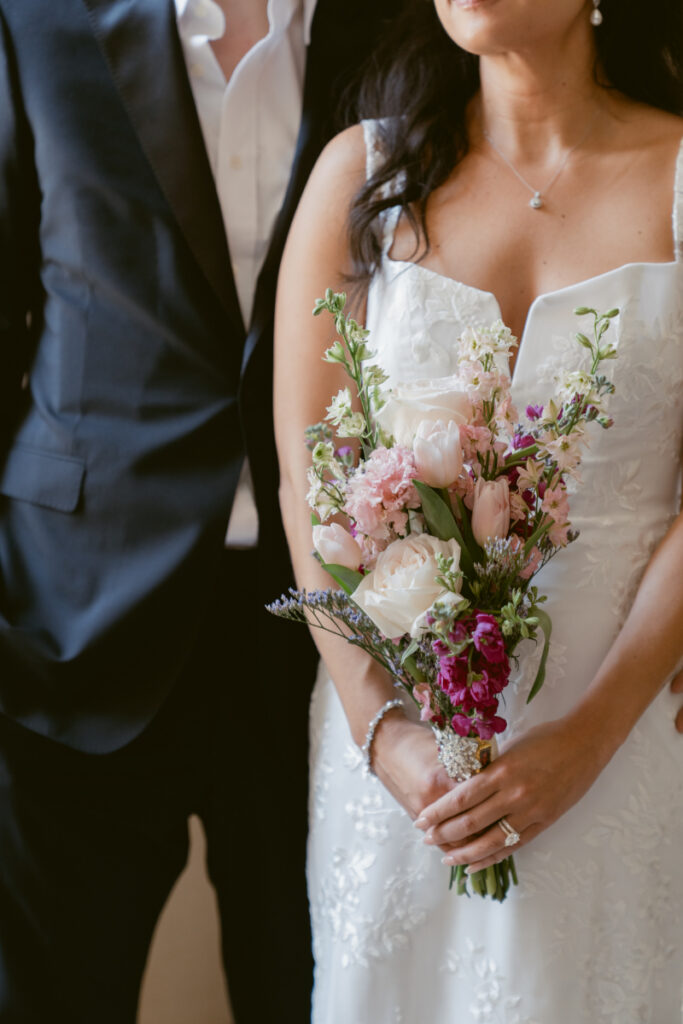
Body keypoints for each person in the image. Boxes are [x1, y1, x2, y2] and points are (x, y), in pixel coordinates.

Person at [274, 0, 683, 1020]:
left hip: (623, 733)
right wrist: (383, 731)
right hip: (402, 770)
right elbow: (307, 479)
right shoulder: (359, 177)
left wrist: (591, 736)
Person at [0, 0, 405, 1020]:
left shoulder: (403, 22)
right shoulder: (35, 17)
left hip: (330, 627)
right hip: (71, 619)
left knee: (307, 990)